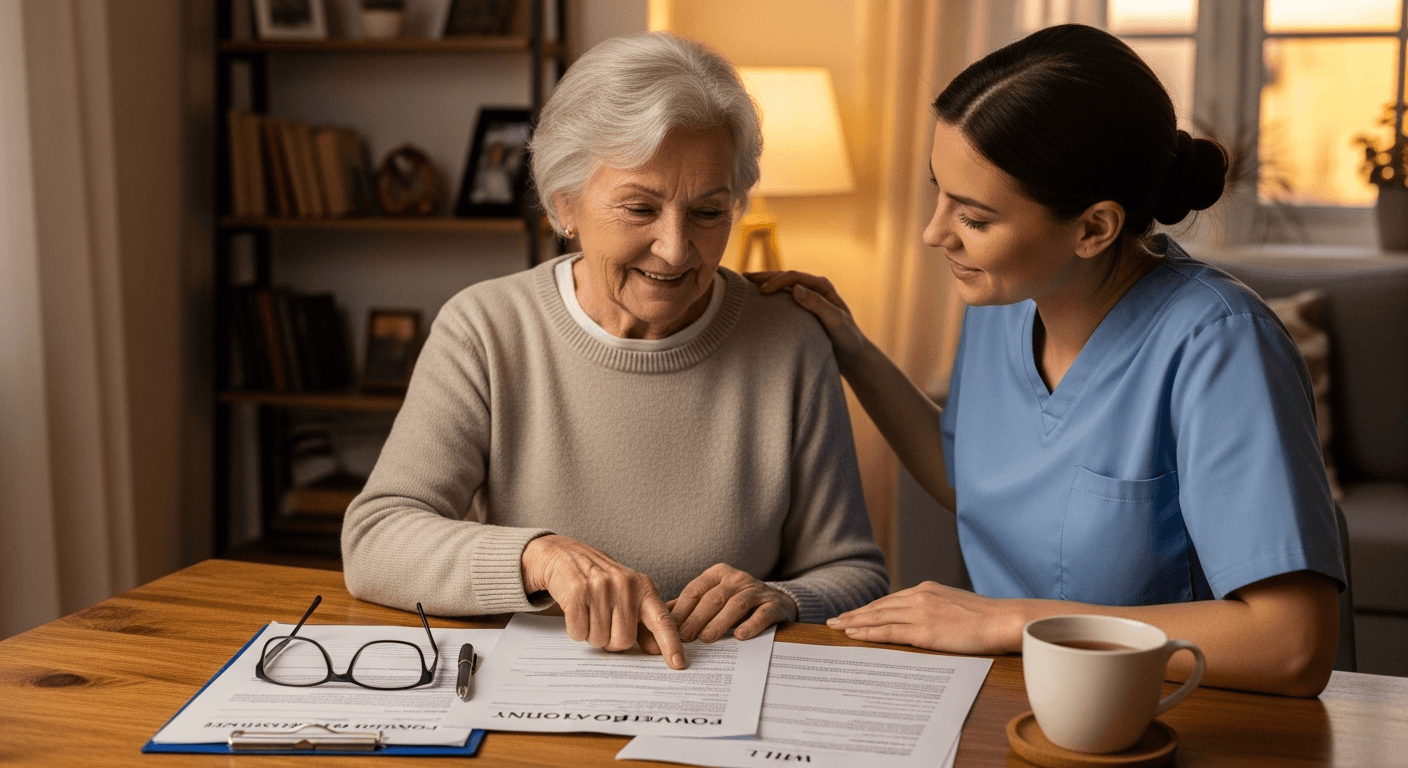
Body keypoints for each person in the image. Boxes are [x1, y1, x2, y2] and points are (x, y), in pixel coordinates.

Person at [752, 24, 1344, 697]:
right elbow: (972, 479)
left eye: (974, 218)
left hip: (1179, 713)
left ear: (1094, 228)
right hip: (1022, 699)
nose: (934, 232)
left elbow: (1292, 645)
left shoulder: (1221, 344)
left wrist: (1010, 622)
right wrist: (852, 350)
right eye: (939, 192)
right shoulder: (1004, 301)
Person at [341, 31, 889, 670]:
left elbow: (855, 573)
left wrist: (785, 597)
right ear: (566, 203)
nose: (676, 250)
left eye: (708, 213)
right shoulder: (485, 329)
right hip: (536, 692)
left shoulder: (790, 340)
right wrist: (537, 557)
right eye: (640, 208)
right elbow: (376, 539)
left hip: (717, 690)